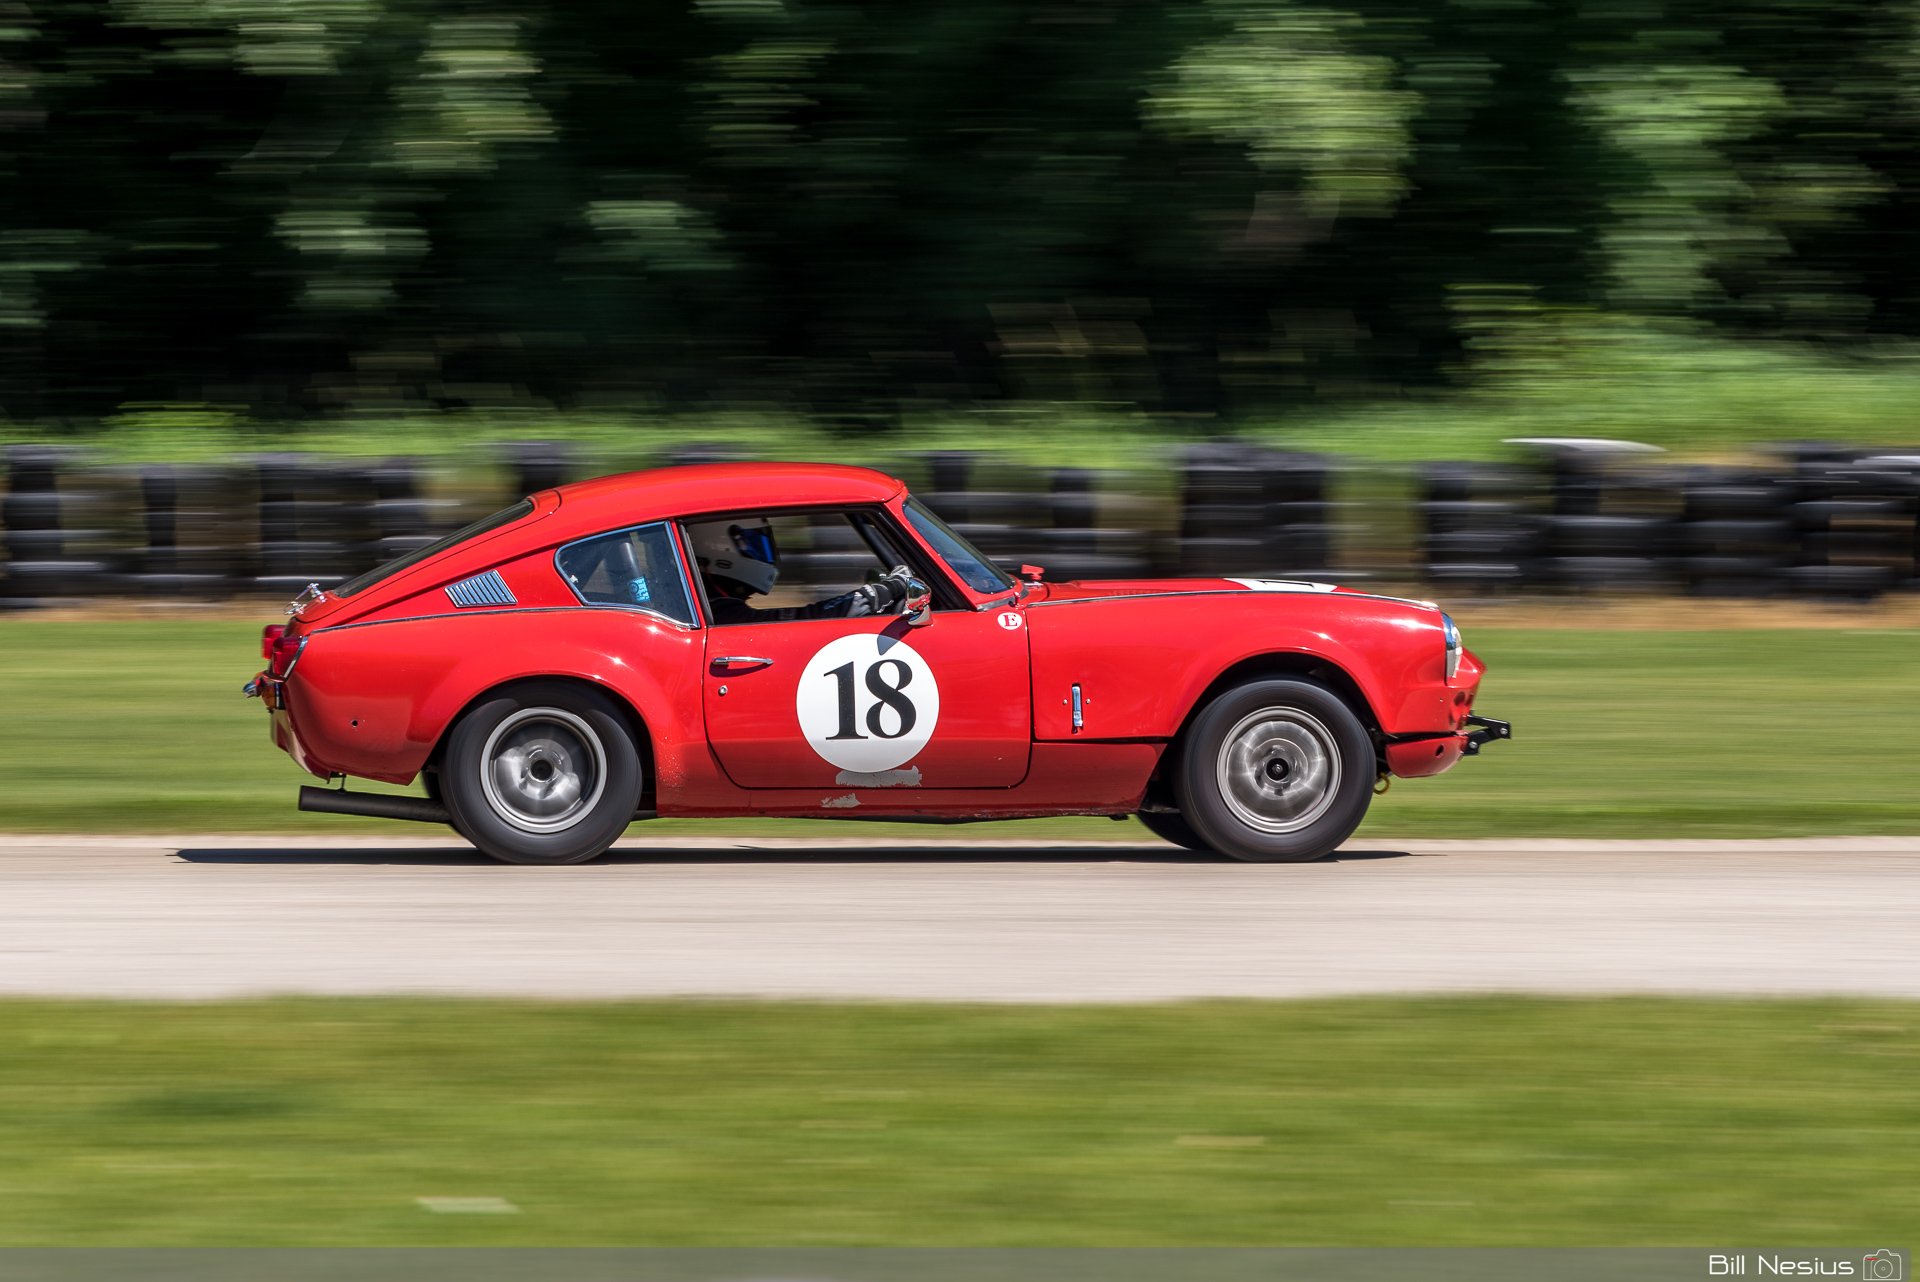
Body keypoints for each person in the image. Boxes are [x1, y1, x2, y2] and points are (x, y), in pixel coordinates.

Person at [689, 518, 920, 625]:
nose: (760, 553)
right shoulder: (719, 612)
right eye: (748, 544)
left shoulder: (709, 606)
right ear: (719, 549)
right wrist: (878, 593)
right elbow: (803, 618)